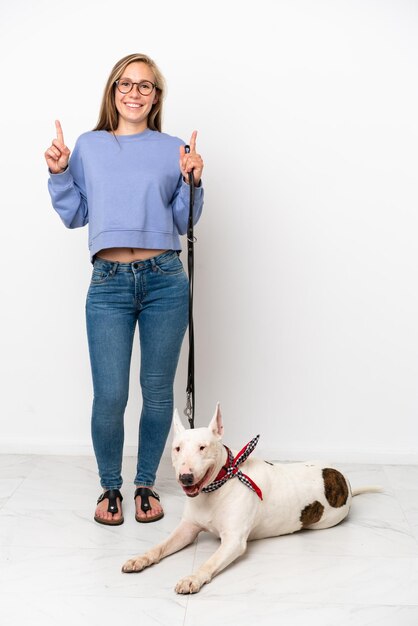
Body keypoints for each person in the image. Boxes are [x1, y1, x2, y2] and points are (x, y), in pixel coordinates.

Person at [45, 53, 204, 525]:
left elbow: (183, 220)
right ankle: (110, 487)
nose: (134, 93)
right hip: (109, 282)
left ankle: (146, 486)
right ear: (112, 91)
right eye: (125, 84)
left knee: (157, 393)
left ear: (156, 96)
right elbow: (76, 215)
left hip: (164, 280)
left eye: (145, 86)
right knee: (110, 395)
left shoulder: (172, 146)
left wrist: (194, 179)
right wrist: (58, 174)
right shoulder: (89, 147)